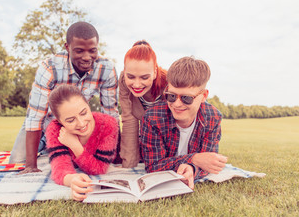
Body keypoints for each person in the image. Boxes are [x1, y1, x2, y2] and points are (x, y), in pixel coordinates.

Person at [9, 21, 119, 174]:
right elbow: (35, 117)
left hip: (76, 124)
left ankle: (52, 148)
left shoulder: (107, 69)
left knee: (83, 161)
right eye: (79, 51)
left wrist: (114, 152)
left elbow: (110, 114)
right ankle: (47, 143)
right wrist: (31, 166)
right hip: (46, 122)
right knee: (17, 163)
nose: (87, 57)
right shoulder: (50, 67)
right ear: (67, 48)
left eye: (92, 51)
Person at [140, 56, 228, 189]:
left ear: (203, 96)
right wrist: (194, 159)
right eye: (171, 96)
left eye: (186, 98)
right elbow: (153, 165)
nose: (177, 104)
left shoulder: (213, 118)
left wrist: (192, 168)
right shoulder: (153, 118)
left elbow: (208, 162)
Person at [46, 84, 119, 201]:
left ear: (88, 106)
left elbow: (100, 168)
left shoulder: (108, 124)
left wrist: (75, 146)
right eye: (70, 120)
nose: (81, 123)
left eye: (84, 113)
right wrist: (72, 179)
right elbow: (59, 167)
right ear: (59, 121)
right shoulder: (55, 129)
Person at [118, 40, 167, 168]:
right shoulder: (123, 81)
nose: (137, 84)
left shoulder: (168, 82)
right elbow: (129, 120)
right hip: (144, 133)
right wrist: (129, 166)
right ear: (124, 71)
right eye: (131, 77)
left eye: (144, 77)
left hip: (166, 135)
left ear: (155, 72)